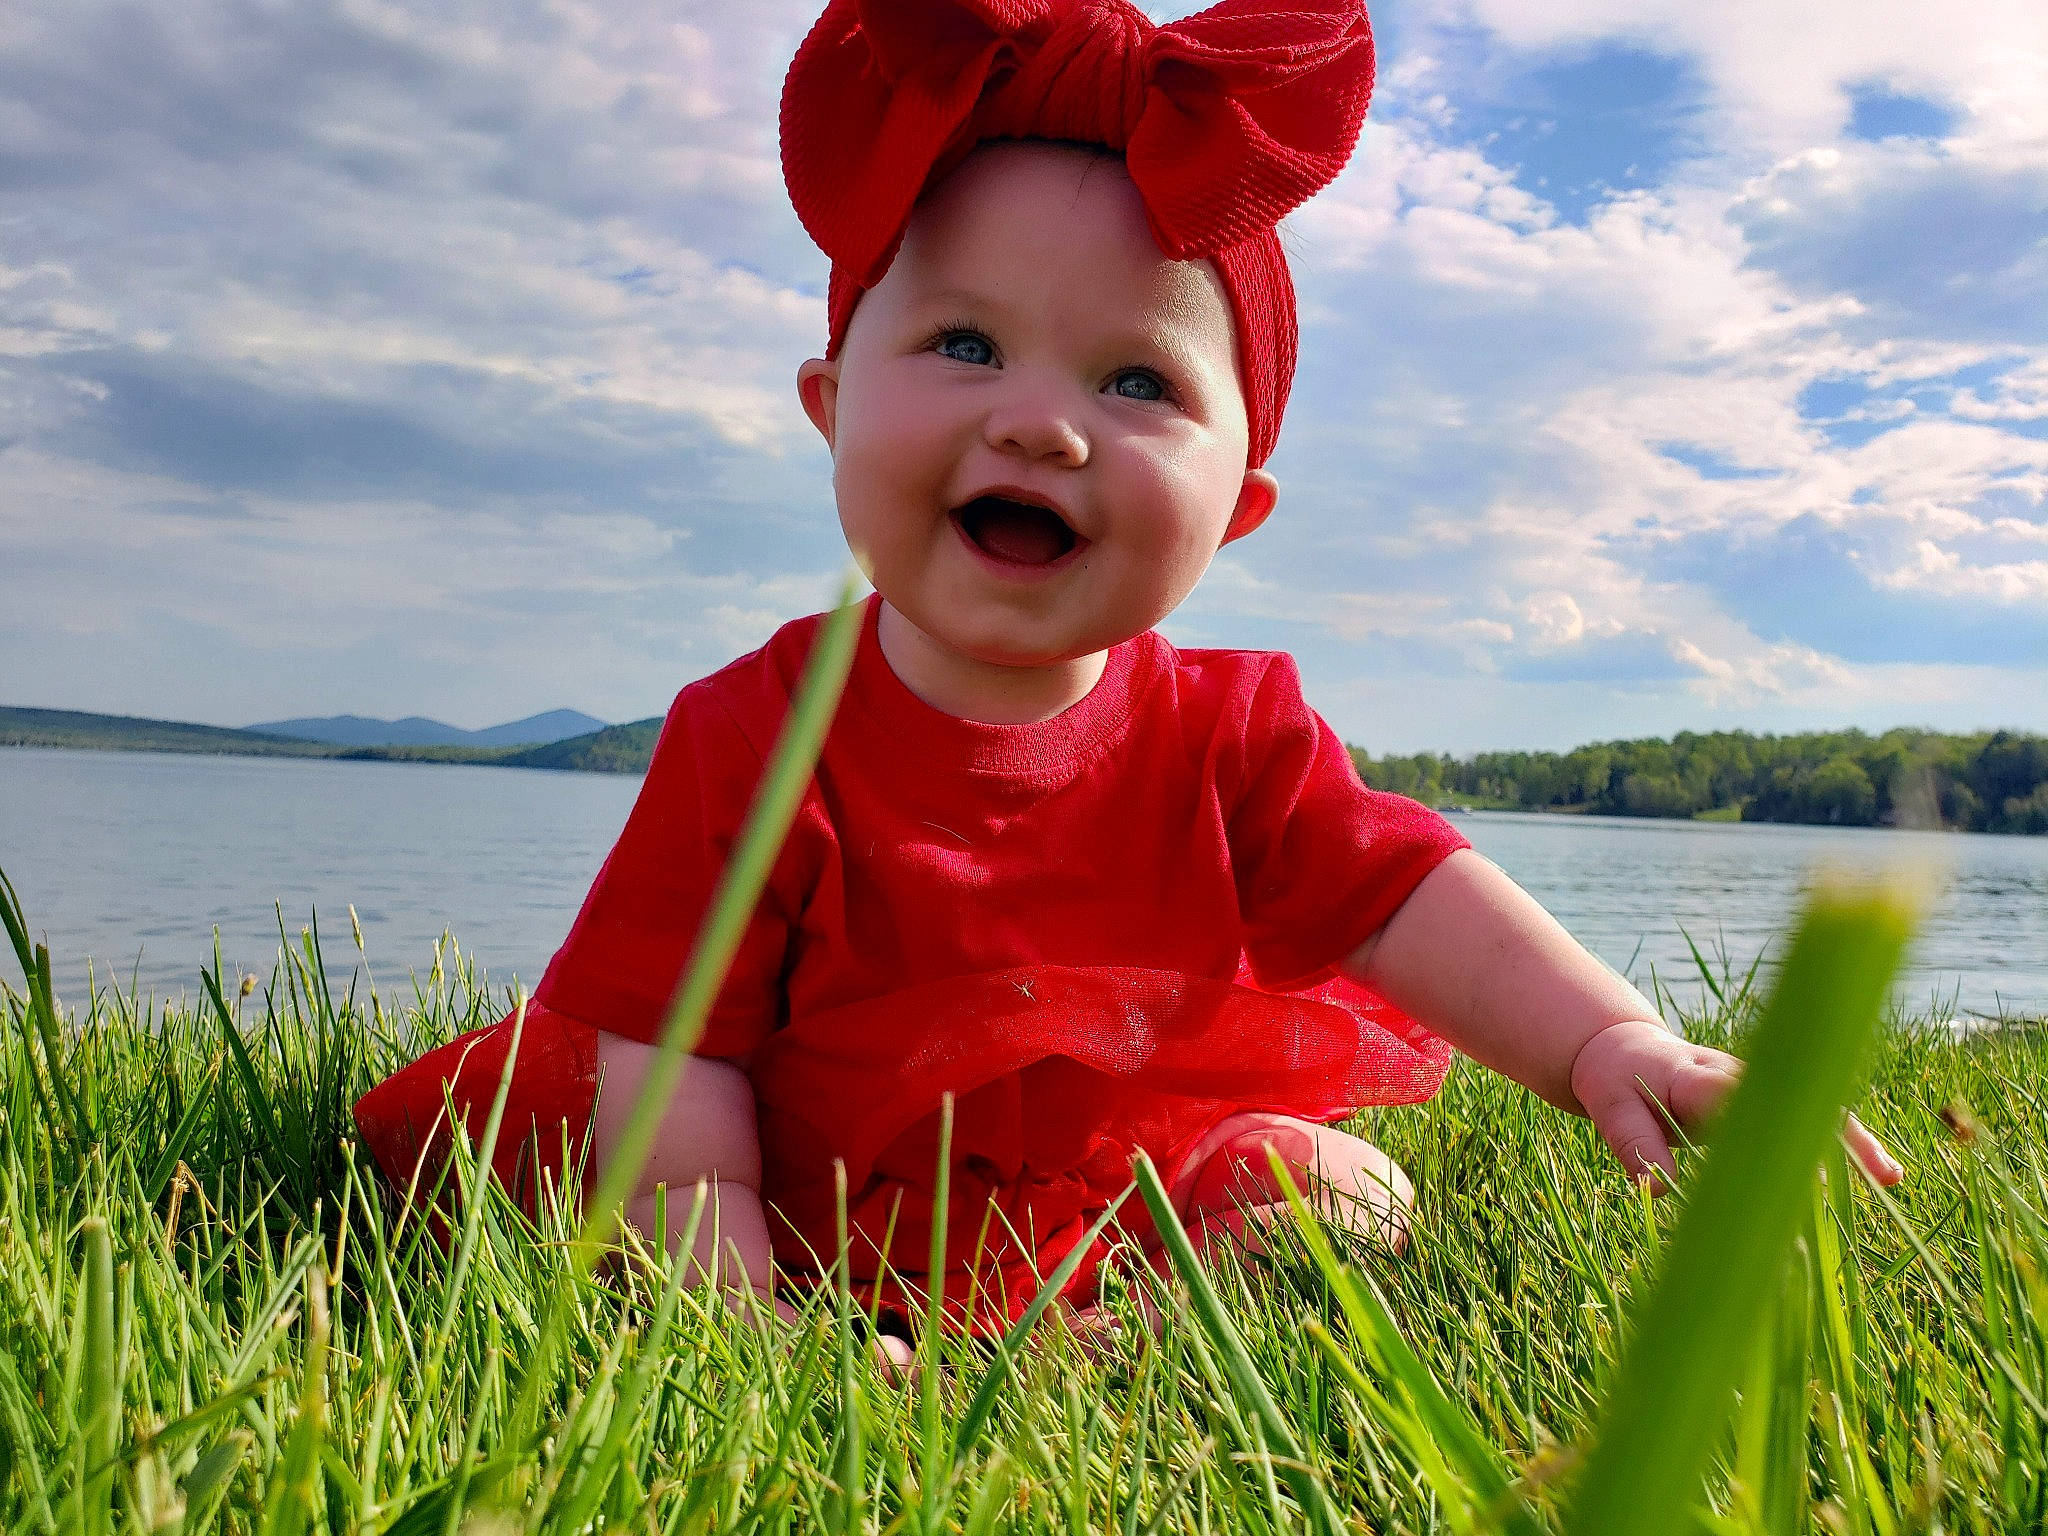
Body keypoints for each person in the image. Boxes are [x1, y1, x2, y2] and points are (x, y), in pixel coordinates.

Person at [354, 0, 1903, 1368]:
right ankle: (855, 1340)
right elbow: (673, 1063)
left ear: (1237, 506)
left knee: (1355, 1195)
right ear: (831, 408)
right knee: (623, 1170)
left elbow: (1404, 897)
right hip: (792, 1191)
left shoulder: (1235, 731)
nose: (1041, 424)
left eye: (1136, 380)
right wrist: (745, 1333)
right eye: (965, 344)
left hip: (1102, 1192)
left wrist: (1610, 1042)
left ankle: (1107, 1335)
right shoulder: (754, 735)